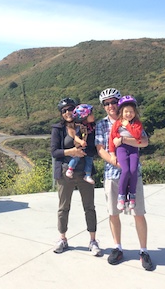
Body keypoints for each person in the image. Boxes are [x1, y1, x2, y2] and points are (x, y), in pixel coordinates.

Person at [95, 88, 154, 271]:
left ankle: (143, 251)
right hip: (112, 173)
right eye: (106, 103)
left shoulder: (133, 121)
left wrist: (124, 141)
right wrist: (114, 160)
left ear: (120, 104)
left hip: (134, 172)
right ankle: (117, 247)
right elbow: (100, 148)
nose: (110, 106)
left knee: (139, 212)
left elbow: (144, 142)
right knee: (113, 212)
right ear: (103, 106)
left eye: (113, 102)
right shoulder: (102, 124)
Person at [51, 97, 102, 256]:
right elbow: (54, 152)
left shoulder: (88, 127)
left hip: (85, 173)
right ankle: (62, 238)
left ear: (77, 110)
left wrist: (85, 150)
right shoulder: (58, 129)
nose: (67, 112)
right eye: (64, 110)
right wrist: (71, 152)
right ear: (61, 113)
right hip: (65, 172)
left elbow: (94, 149)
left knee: (89, 207)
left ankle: (93, 240)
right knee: (63, 207)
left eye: (70, 109)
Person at [108, 95, 144, 212]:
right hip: (121, 149)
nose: (129, 114)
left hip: (133, 149)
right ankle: (121, 196)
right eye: (126, 112)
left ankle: (132, 195)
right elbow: (112, 139)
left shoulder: (137, 123)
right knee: (126, 170)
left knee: (133, 170)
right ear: (121, 112)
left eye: (131, 112)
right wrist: (112, 154)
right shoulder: (117, 123)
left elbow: (137, 135)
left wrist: (127, 125)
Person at [65, 104, 96, 185]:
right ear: (84, 116)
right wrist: (81, 142)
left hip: (89, 147)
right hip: (81, 147)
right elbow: (76, 137)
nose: (93, 116)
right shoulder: (80, 127)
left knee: (89, 161)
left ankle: (88, 175)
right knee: (76, 157)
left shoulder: (93, 126)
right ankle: (70, 168)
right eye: (91, 114)